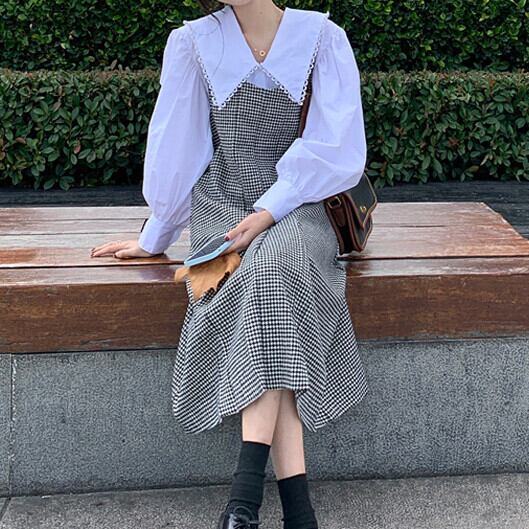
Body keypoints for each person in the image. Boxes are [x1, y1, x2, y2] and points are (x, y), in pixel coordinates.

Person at [91, 1, 369, 527]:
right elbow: (180, 148)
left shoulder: (322, 36)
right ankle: (297, 512)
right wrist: (156, 235)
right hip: (223, 207)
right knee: (268, 283)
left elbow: (336, 149)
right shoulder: (193, 42)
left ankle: (243, 502)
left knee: (273, 268)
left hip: (299, 204)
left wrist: (270, 210)